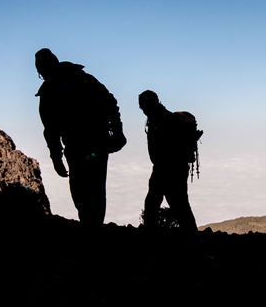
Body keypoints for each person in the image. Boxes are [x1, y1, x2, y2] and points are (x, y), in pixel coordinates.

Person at [35, 48, 125, 227]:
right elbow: (111, 103)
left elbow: (51, 129)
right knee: (94, 188)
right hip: (97, 145)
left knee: (82, 189)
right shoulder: (83, 78)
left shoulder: (50, 91)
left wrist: (56, 157)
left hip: (79, 148)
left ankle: (91, 230)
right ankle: (93, 228)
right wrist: (117, 131)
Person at [139, 90, 199, 240]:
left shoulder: (164, 119)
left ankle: (192, 241)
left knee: (176, 206)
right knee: (171, 205)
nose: (143, 110)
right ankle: (192, 240)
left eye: (144, 106)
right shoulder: (159, 117)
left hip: (168, 170)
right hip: (168, 168)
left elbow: (168, 147)